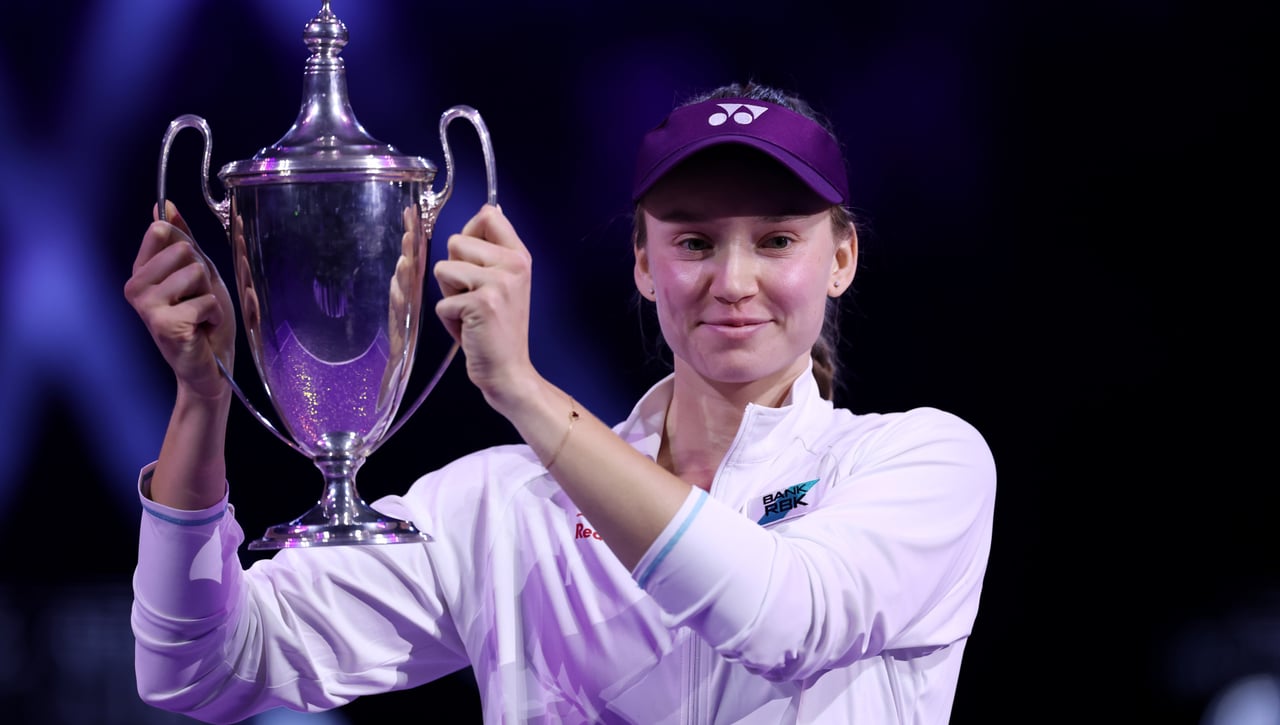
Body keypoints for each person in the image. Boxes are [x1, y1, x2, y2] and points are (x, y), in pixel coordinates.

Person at [124, 81, 997, 724]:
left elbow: (781, 616)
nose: (734, 282)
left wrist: (526, 392)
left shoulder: (918, 465)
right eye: (693, 240)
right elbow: (199, 666)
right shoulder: (504, 507)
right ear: (645, 263)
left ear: (840, 258)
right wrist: (203, 401)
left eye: (777, 239)